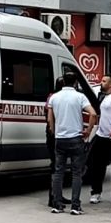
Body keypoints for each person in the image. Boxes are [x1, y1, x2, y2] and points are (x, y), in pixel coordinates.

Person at [47, 72, 97, 215]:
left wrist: (54, 132)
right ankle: (75, 206)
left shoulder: (54, 97)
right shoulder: (80, 97)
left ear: (63, 82)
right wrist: (88, 130)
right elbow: (93, 114)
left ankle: (57, 204)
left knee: (58, 172)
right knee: (76, 173)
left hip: (60, 139)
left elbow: (50, 120)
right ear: (76, 83)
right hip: (75, 138)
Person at [89, 75, 111, 206]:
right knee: (97, 165)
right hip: (101, 135)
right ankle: (96, 192)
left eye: (104, 81)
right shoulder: (103, 97)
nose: (101, 83)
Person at [45, 76, 71, 209]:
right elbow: (50, 118)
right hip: (55, 135)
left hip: (55, 134)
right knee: (56, 166)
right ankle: (54, 197)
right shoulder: (54, 97)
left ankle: (58, 195)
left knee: (59, 166)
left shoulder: (54, 97)